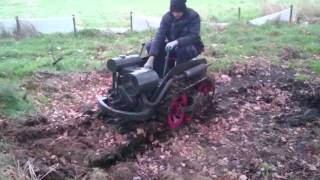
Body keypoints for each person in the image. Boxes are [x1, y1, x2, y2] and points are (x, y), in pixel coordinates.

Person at [144, 0, 204, 77]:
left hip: (193, 45)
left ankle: (178, 76)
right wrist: (151, 57)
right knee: (150, 45)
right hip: (172, 45)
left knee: (181, 51)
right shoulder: (167, 17)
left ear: (184, 9)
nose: (176, 14)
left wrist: (177, 42)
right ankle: (163, 74)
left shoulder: (193, 16)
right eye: (174, 11)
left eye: (179, 11)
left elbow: (194, 36)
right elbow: (159, 36)